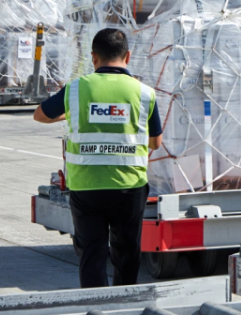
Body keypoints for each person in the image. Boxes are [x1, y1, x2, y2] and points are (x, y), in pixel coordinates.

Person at [33, 28, 163, 288]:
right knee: (126, 254)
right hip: (129, 187)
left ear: (94, 58)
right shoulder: (145, 93)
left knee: (91, 255)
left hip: (87, 186)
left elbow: (40, 114)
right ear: (127, 56)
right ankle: (124, 305)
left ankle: (95, 307)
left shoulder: (76, 89)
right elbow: (155, 143)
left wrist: (70, 114)